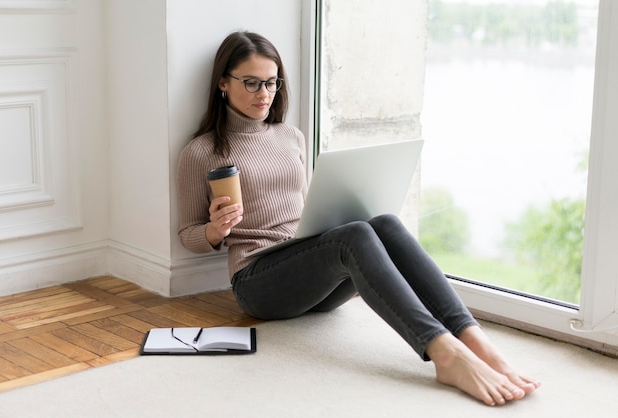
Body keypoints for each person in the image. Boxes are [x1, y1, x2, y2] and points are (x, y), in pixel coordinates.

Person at [177, 31, 540, 406]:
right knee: (351, 237)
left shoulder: (290, 136)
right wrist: (214, 231)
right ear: (223, 82)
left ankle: (473, 339)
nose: (264, 93)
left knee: (383, 223)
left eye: (271, 82)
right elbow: (187, 233)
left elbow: (300, 210)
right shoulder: (201, 151)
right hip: (257, 284)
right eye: (251, 83)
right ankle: (444, 353)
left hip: (311, 279)